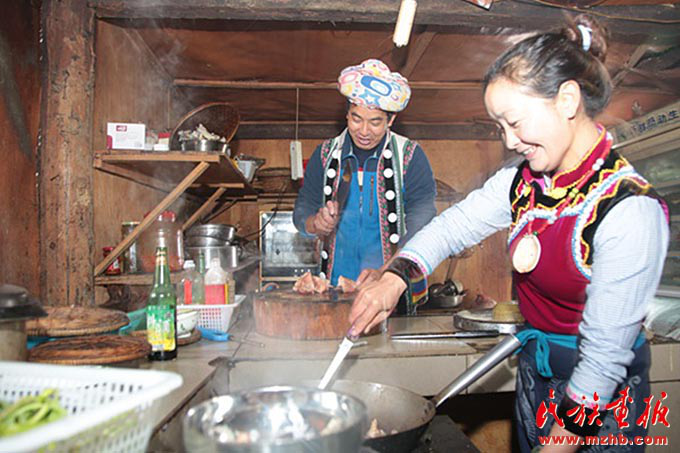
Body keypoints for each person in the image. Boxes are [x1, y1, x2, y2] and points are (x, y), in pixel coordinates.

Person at [349, 15, 669, 452]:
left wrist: (558, 445)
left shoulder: (627, 210)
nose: (509, 141)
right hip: (537, 379)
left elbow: (603, 362)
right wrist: (395, 277)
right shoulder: (521, 182)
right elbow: (453, 227)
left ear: (567, 100)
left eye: (515, 122)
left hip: (601, 403)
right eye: (499, 127)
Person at [294, 59, 436, 312]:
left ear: (390, 120)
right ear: (347, 114)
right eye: (356, 119)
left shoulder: (410, 156)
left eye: (375, 122)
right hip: (335, 290)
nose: (364, 131)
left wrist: (386, 271)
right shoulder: (325, 154)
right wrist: (315, 223)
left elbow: (422, 222)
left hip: (393, 284)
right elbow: (302, 208)